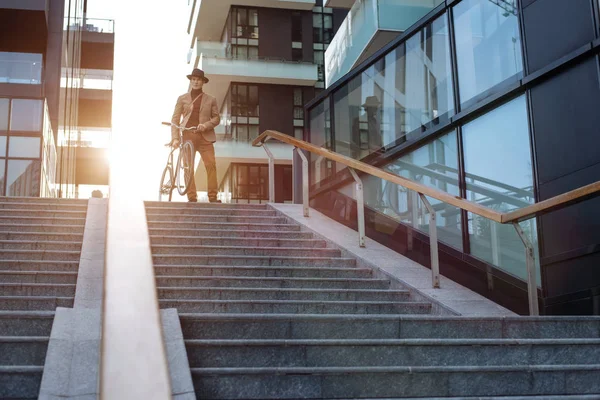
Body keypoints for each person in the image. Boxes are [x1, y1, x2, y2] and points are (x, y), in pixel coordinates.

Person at [171, 68, 221, 202]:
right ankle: (192, 197)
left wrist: (205, 126)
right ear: (191, 80)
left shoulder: (211, 99)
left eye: (198, 79)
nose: (196, 82)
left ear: (203, 82)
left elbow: (216, 118)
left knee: (211, 165)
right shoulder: (182, 99)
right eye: (193, 79)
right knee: (188, 167)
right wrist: (175, 138)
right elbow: (175, 120)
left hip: (205, 137)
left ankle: (213, 197)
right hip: (188, 136)